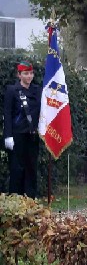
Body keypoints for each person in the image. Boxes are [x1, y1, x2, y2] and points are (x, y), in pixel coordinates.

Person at [3, 61, 41, 198]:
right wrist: (8, 135)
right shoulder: (12, 90)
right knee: (17, 169)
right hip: (17, 135)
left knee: (31, 168)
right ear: (19, 75)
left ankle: (30, 200)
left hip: (32, 135)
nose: (29, 76)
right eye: (26, 73)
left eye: (31, 73)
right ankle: (15, 200)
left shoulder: (37, 90)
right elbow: (7, 113)